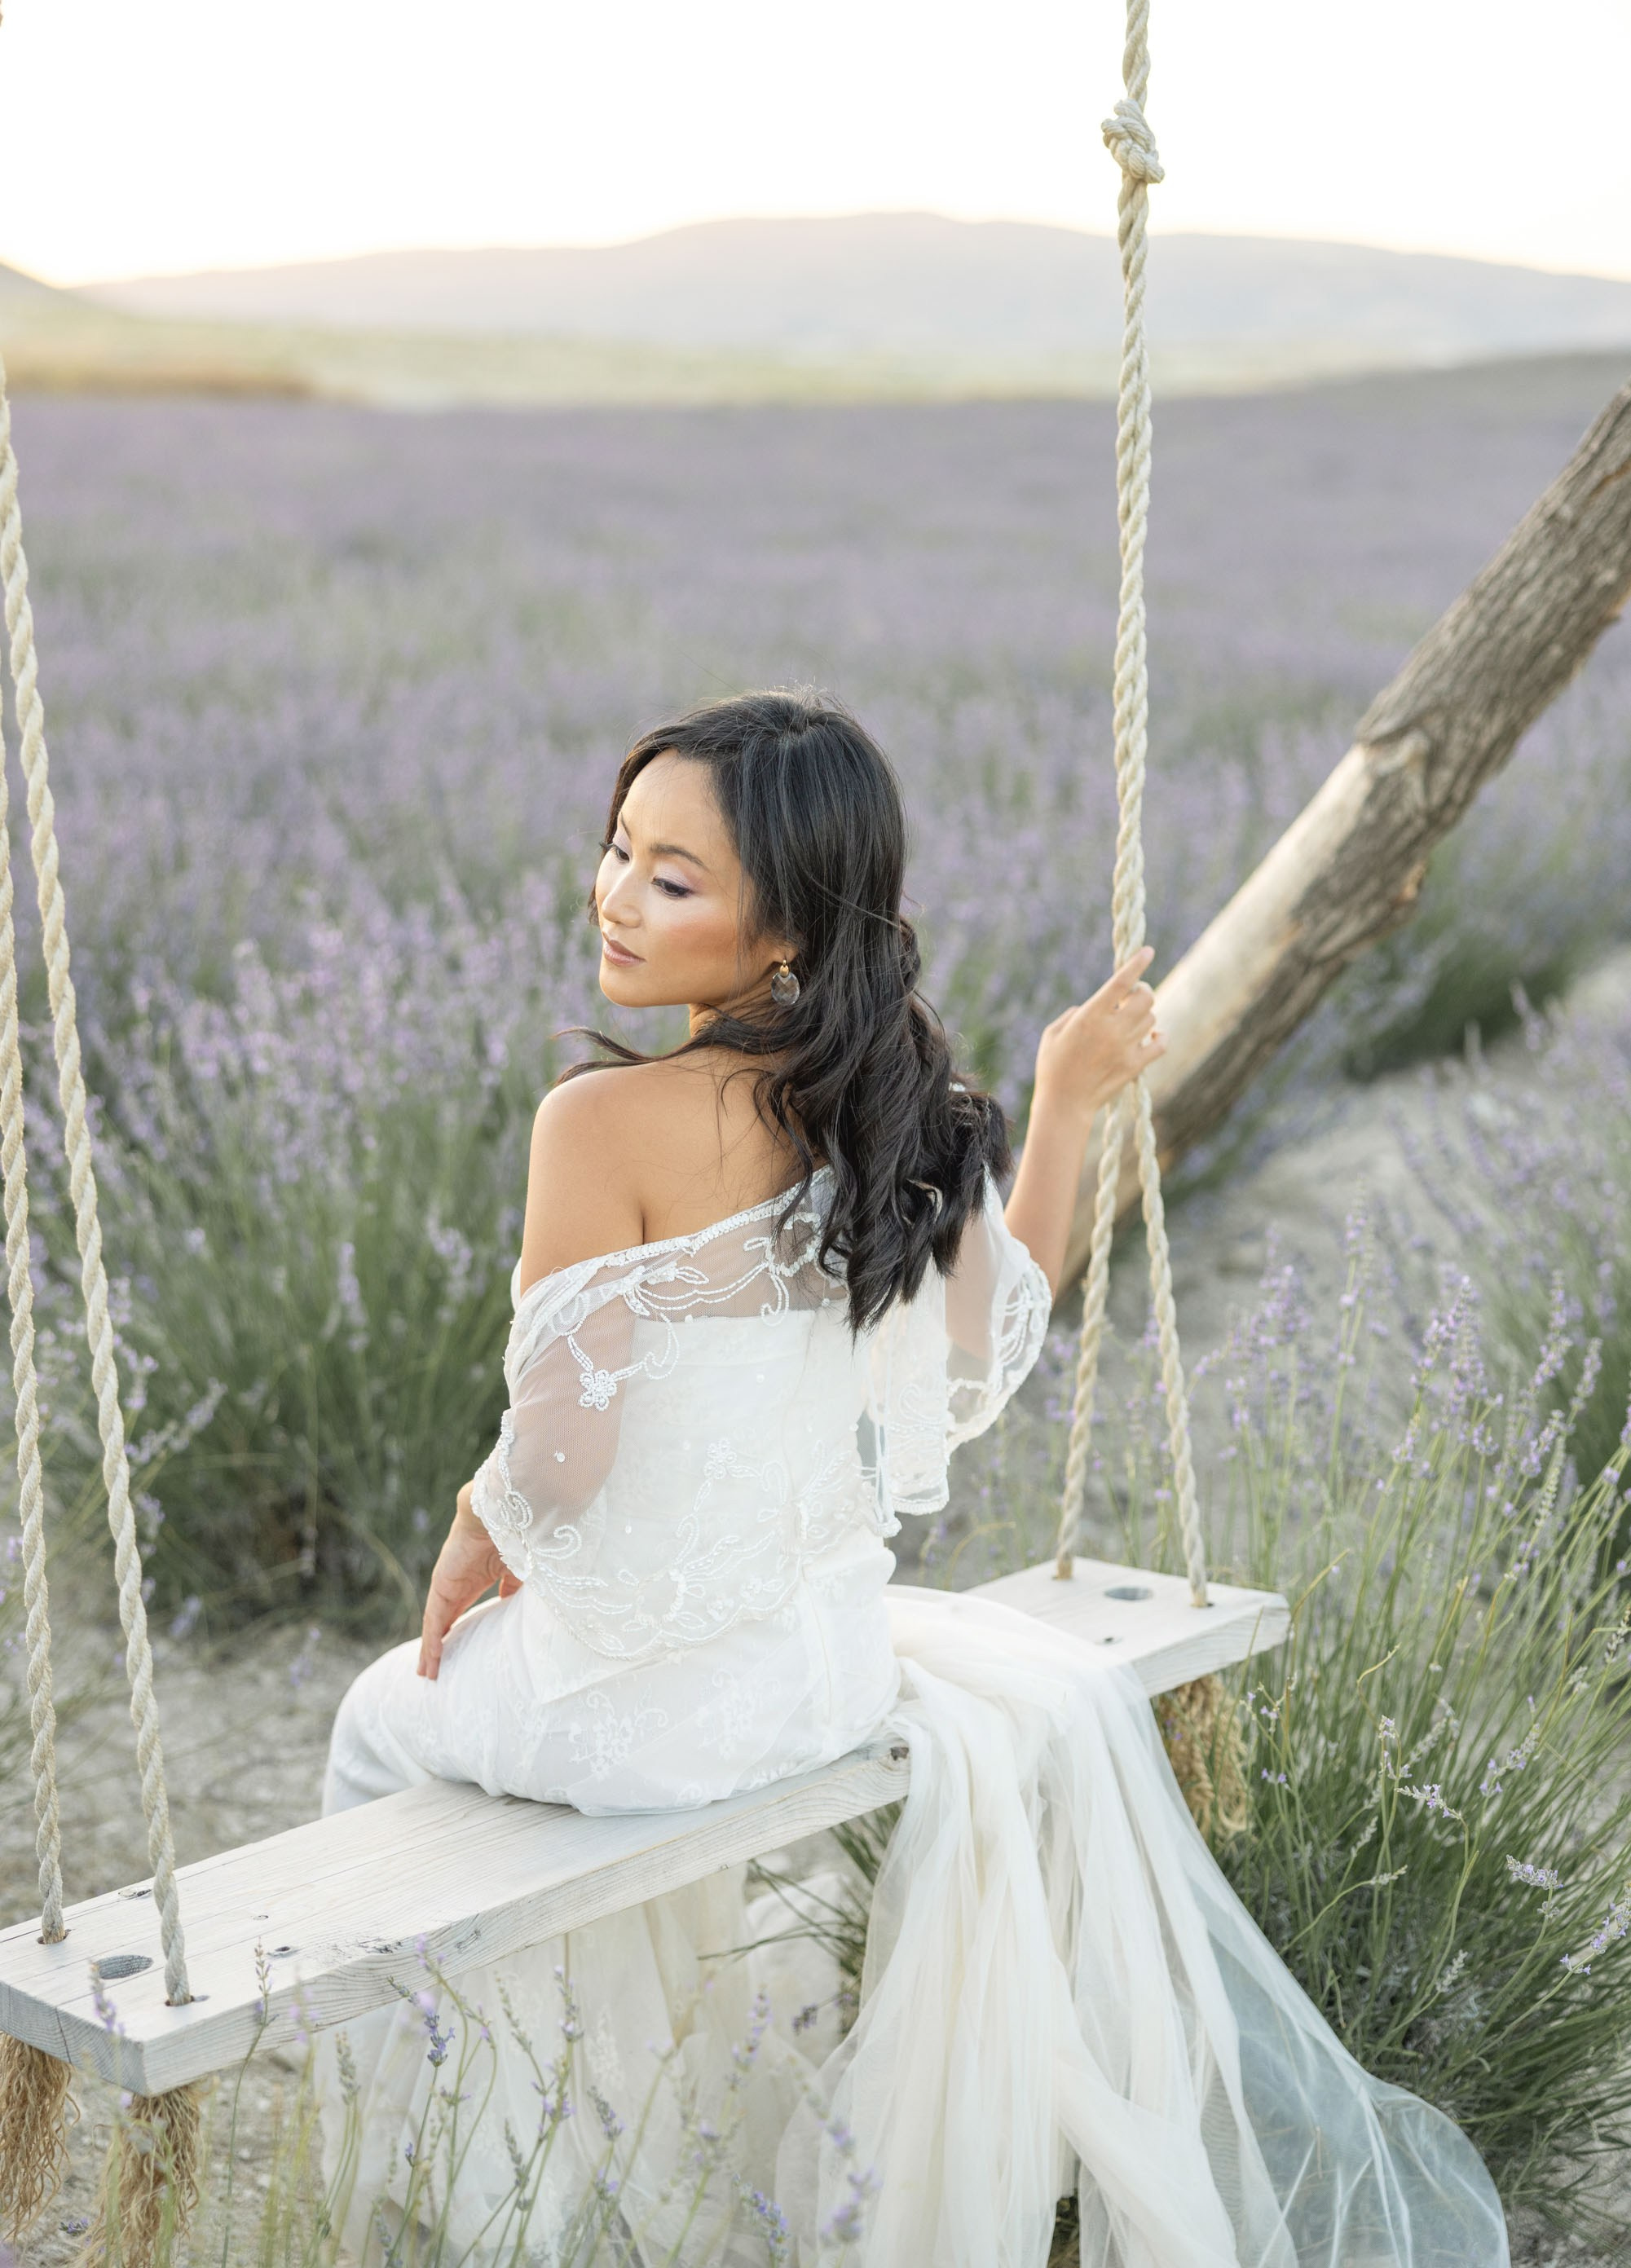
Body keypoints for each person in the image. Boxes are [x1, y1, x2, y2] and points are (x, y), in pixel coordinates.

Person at [319, 690, 1507, 2266]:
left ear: (786, 937)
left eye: (673, 878)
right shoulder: (909, 1121)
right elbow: (973, 1355)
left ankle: (503, 2187)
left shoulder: (596, 1120)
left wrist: (480, 1526)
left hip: (673, 1726)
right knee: (532, 1699)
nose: (613, 895)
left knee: (373, 1718)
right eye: (617, 849)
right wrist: (1069, 1091)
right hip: (820, 1678)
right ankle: (611, 2141)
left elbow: (561, 1465)